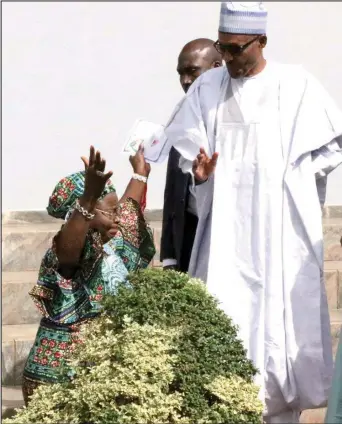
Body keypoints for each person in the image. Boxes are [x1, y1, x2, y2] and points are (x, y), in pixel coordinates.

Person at [161, 2, 342, 423]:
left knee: (276, 332)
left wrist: (294, 174)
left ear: (261, 42)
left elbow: (330, 146)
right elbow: (189, 158)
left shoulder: (296, 86)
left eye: (237, 49)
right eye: (223, 48)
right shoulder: (208, 89)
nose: (228, 58)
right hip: (224, 235)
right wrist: (202, 178)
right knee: (227, 322)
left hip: (279, 234)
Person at [22, 146, 155, 406]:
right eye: (109, 211)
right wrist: (87, 199)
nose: (118, 218)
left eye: (116, 211)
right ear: (85, 214)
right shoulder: (65, 252)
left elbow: (128, 208)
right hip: (57, 381)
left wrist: (140, 173)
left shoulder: (116, 246)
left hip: (98, 376)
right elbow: (70, 251)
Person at [161, 38, 222, 272]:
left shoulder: (234, 119)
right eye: (181, 73)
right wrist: (169, 258)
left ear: (217, 67)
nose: (186, 81)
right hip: (188, 241)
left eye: (192, 71)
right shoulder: (183, 119)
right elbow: (173, 193)